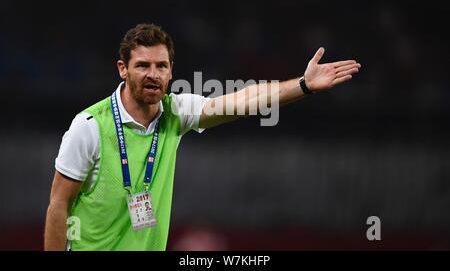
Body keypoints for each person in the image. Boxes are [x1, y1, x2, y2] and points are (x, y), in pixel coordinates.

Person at [44, 23, 361, 251]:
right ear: (122, 70)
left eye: (161, 66)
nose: (153, 74)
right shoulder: (89, 127)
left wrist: (303, 85)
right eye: (142, 65)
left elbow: (242, 100)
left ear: (171, 72)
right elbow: (59, 204)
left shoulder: (176, 111)